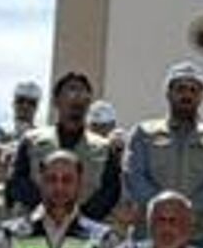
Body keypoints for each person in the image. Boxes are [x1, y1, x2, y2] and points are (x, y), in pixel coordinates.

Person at [126, 61, 203, 247]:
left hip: (199, 237)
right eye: (181, 89)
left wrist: (186, 212)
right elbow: (135, 178)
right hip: (150, 235)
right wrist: (165, 211)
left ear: (201, 96)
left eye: (193, 90)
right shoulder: (143, 133)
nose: (187, 95)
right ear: (168, 93)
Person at [7, 70, 122, 221]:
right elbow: (16, 181)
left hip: (84, 227)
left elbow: (110, 191)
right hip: (36, 225)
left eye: (83, 91)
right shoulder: (31, 140)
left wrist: (79, 218)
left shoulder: (104, 149)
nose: (77, 95)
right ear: (56, 100)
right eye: (71, 89)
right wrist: (50, 210)